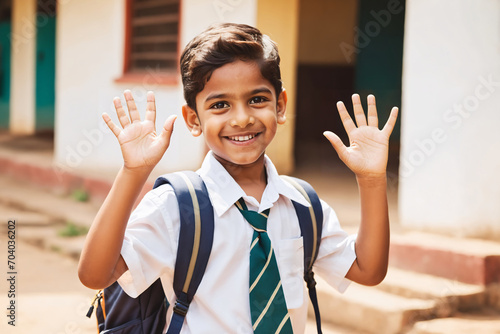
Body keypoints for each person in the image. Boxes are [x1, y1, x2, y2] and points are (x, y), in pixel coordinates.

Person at [78, 23, 398, 333]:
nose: (242, 118)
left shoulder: (303, 205)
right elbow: (96, 274)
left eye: (257, 99)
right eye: (220, 105)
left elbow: (368, 270)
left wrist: (372, 180)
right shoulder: (177, 206)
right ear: (194, 119)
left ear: (281, 105)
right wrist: (133, 173)